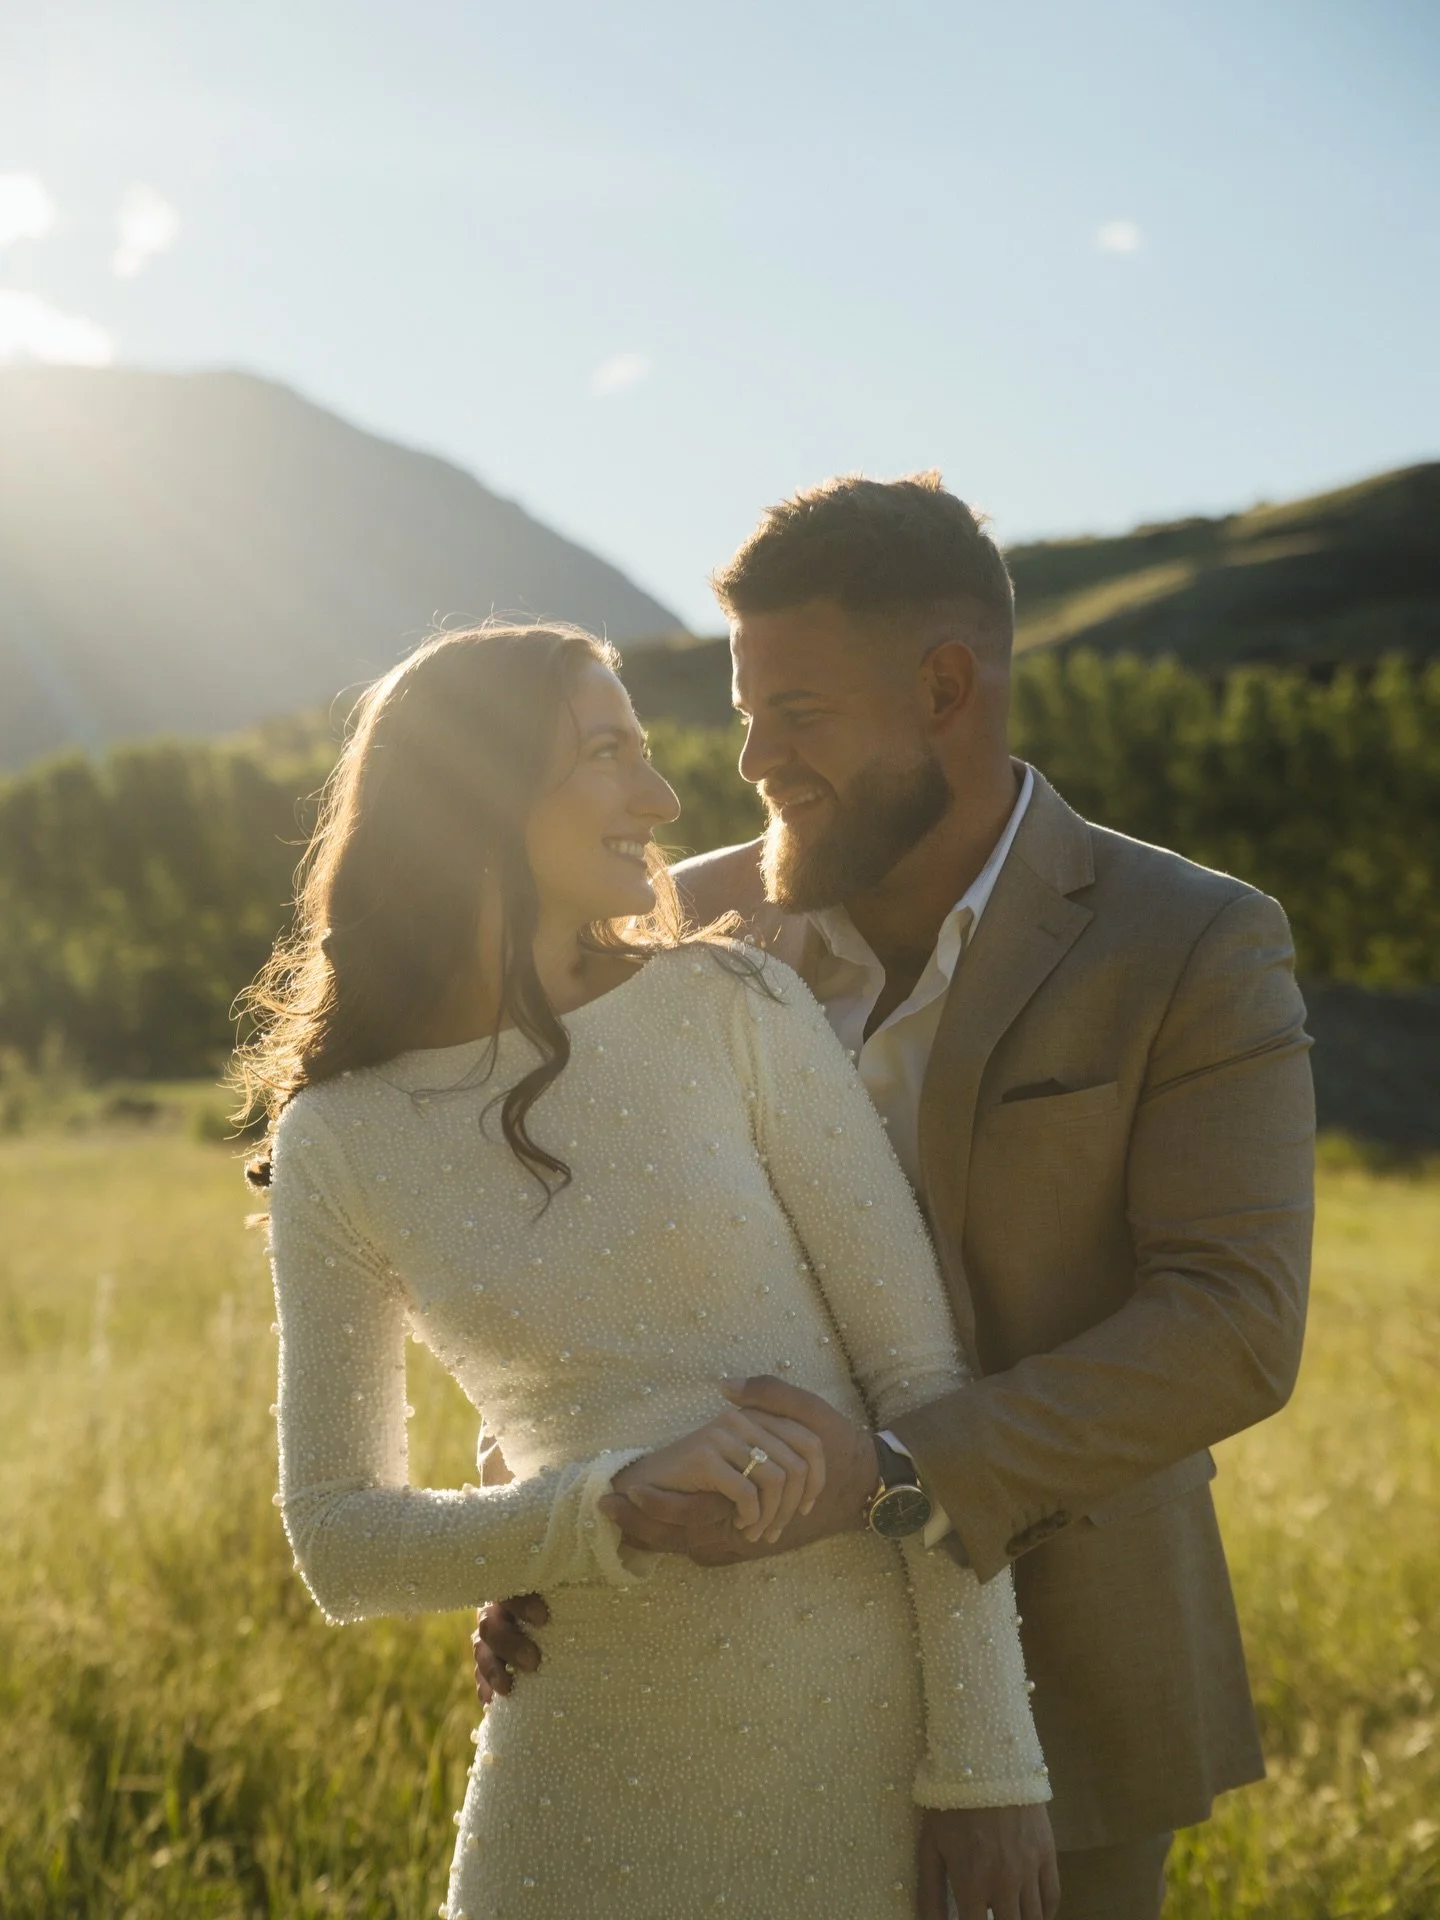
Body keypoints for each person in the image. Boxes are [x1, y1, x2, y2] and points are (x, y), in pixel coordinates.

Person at [474, 475, 1316, 1920]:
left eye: (797, 713)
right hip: (715, 1665)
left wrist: (891, 1475)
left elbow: (1233, 1324)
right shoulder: (674, 932)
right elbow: (570, 1246)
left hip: (1073, 1679)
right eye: (746, 713)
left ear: (944, 689)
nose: (756, 762)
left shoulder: (1193, 943)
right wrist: (534, 1501)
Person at [239, 621, 1058, 1920]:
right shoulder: (337, 1138)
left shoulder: (733, 1006)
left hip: (853, 1739)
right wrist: (600, 1507)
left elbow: (921, 1385)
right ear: (481, 788)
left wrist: (987, 1767)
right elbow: (340, 1539)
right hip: (571, 1765)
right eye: (608, 753)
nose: (665, 799)